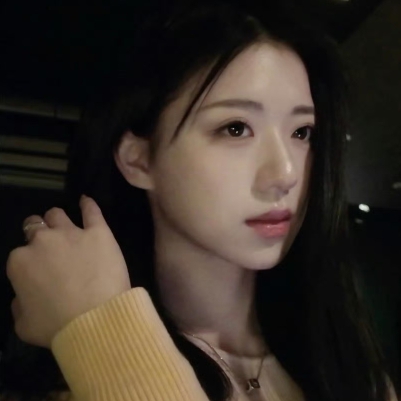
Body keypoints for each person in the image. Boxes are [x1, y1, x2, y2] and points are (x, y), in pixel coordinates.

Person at [1, 1, 399, 401]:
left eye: (302, 132)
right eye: (236, 128)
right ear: (137, 159)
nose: (286, 173)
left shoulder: (349, 367)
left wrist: (100, 329)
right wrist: (100, 332)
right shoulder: (71, 375)